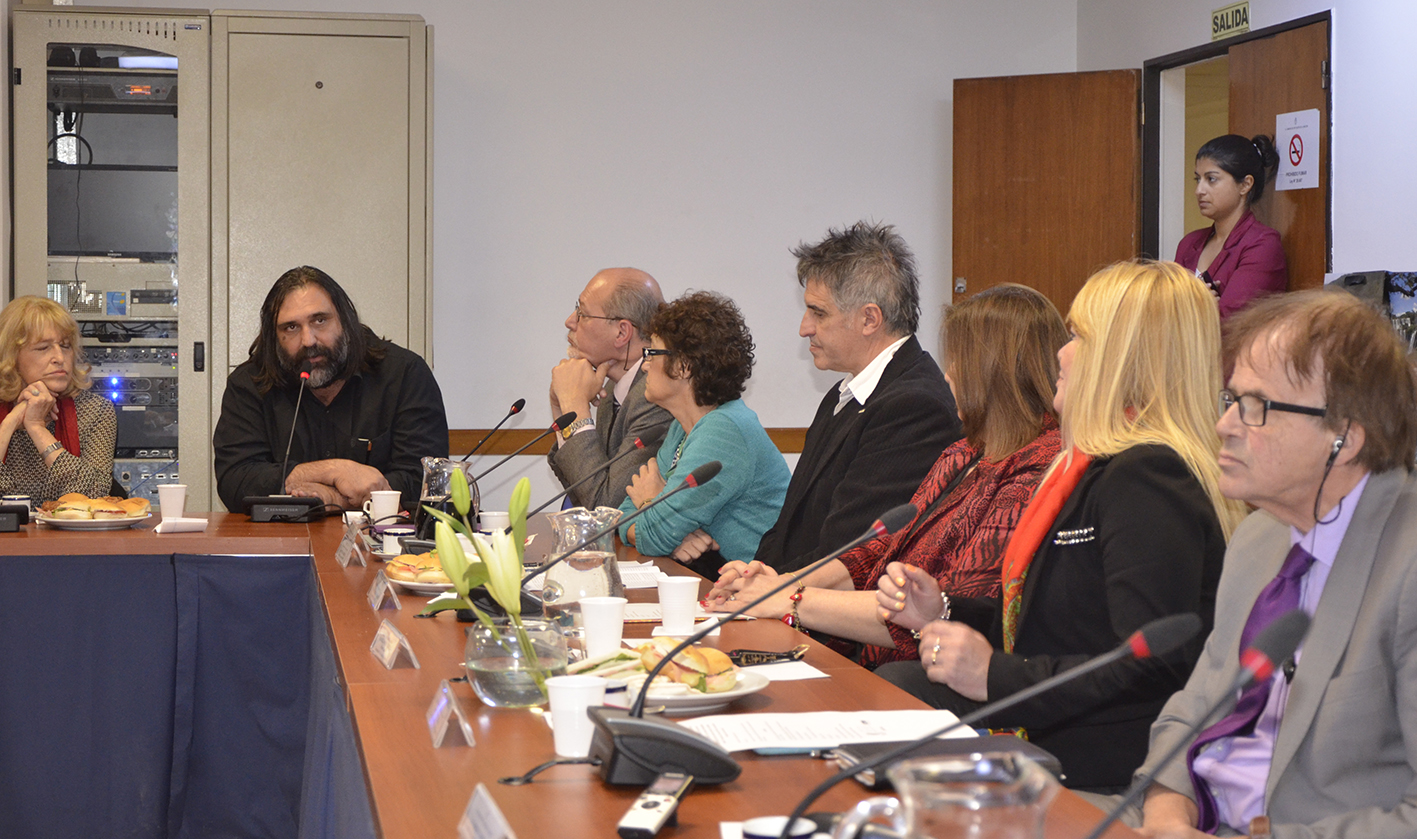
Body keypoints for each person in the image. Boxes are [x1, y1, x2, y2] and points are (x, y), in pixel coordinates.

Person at [875, 261, 1246, 793]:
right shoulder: (1091, 468)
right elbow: (1060, 624)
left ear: (1122, 359)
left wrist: (994, 674)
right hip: (1055, 743)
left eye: (1078, 337)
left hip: (1103, 773)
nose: (1061, 353)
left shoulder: (1147, 476)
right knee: (898, 691)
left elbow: (1150, 663)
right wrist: (945, 611)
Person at [1127, 290, 1417, 839]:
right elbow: (1195, 706)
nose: (1224, 424)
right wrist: (1166, 814)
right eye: (1230, 398)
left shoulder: (1408, 566)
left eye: (1256, 406)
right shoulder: (1258, 538)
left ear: (1345, 439)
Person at [704, 284, 1065, 666]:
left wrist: (791, 598)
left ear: (995, 372)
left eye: (960, 361)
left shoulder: (1038, 467)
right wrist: (778, 584)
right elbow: (877, 551)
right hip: (876, 655)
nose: (948, 375)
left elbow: (954, 607)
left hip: (927, 672)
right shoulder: (963, 454)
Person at [748, 221, 962, 574]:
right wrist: (755, 572)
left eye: (818, 313)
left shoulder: (914, 407)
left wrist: (770, 587)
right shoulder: (843, 393)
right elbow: (789, 526)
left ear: (869, 319)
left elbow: (852, 552)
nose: (804, 328)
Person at [213, 266, 448, 512]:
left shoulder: (404, 374)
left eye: (320, 320)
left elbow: (426, 481)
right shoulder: (250, 383)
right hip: (282, 535)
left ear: (345, 321)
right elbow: (235, 481)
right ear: (275, 337)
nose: (308, 341)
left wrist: (333, 498)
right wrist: (334, 471)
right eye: (291, 327)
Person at [617, 291, 789, 578]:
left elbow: (653, 533)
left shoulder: (724, 430)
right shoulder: (682, 427)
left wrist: (649, 504)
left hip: (758, 591)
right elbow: (622, 513)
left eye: (652, 353)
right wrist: (671, 533)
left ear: (684, 367)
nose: (645, 365)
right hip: (719, 580)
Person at [548, 268, 673, 510]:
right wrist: (561, 408)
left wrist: (574, 406)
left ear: (622, 332)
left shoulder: (657, 398)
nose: (570, 321)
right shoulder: (612, 389)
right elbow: (583, 495)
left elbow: (608, 508)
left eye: (582, 314)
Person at [0, 296, 116, 501]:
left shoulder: (96, 410)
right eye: (43, 348)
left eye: (65, 346)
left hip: (69, 524)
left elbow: (94, 494)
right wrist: (9, 423)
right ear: (12, 356)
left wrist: (37, 428)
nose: (60, 358)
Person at [1175, 134, 1288, 318]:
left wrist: (1187, 305)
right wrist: (1201, 304)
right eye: (1198, 179)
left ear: (1245, 185)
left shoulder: (1262, 245)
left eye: (1211, 179)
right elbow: (1164, 314)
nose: (1199, 191)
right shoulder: (1189, 243)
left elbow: (1232, 323)